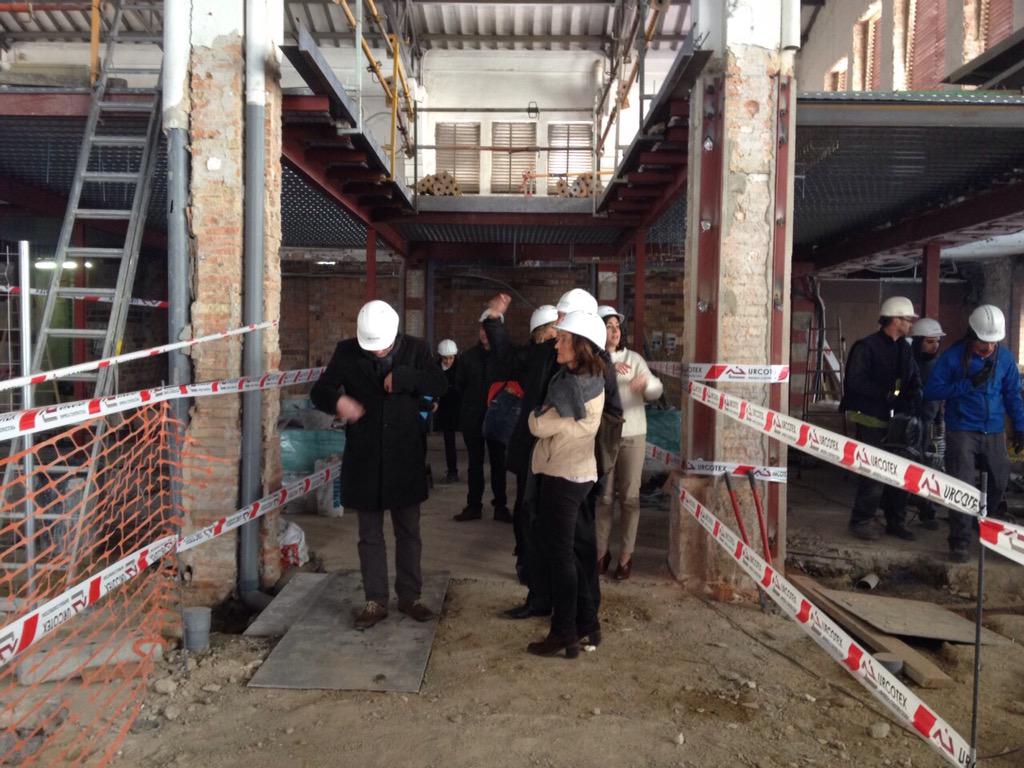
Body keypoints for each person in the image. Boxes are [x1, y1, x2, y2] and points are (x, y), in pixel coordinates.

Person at [310, 300, 448, 630]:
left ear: (394, 334)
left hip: (405, 454)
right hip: (365, 455)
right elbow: (321, 391)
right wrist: (338, 401)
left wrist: (403, 378)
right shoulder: (347, 352)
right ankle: (375, 600)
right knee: (369, 534)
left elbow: (440, 385)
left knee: (408, 531)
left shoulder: (417, 350)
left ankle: (410, 596)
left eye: (381, 346)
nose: (375, 352)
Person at [526, 310, 606, 659]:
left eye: (562, 338)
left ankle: (564, 633)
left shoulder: (572, 385)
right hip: (578, 472)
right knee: (571, 553)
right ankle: (588, 623)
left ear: (580, 345)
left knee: (560, 557)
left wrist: (538, 414)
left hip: (563, 476)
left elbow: (537, 425)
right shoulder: (589, 377)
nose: (555, 342)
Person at [923, 305, 1024, 563]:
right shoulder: (953, 358)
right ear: (971, 336)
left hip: (993, 431)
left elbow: (1013, 395)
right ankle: (959, 541)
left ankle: (982, 523)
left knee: (1000, 480)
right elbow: (932, 390)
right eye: (982, 343)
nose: (988, 348)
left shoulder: (1005, 360)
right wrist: (969, 384)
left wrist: (1021, 427)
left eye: (993, 343)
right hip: (962, 430)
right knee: (962, 486)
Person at [839, 296, 922, 542]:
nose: (911, 324)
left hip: (896, 420)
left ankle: (895, 521)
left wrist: (914, 393)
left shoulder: (904, 348)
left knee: (900, 471)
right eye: (907, 319)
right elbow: (855, 382)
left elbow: (912, 377)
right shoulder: (866, 347)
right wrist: (886, 397)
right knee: (874, 472)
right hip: (870, 418)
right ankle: (861, 520)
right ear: (894, 319)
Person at [595, 306, 663, 580]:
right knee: (604, 498)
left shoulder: (633, 358)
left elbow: (656, 390)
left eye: (617, 326)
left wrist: (644, 384)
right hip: (604, 435)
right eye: (609, 325)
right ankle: (600, 554)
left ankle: (625, 555)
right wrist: (609, 368)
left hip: (633, 434)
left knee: (630, 499)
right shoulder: (594, 360)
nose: (615, 330)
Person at [453, 315, 513, 523]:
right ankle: (473, 506)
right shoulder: (468, 357)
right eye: (482, 328)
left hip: (498, 418)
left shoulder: (506, 358)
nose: (484, 333)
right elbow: (458, 386)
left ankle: (500, 506)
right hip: (473, 417)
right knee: (475, 463)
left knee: (498, 463)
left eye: (489, 329)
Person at [909, 318, 946, 530]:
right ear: (918, 341)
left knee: (930, 466)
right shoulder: (907, 360)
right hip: (906, 423)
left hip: (929, 422)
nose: (935, 346)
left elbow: (942, 397)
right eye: (930, 341)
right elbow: (895, 388)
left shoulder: (940, 364)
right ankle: (896, 509)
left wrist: (940, 419)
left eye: (937, 341)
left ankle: (927, 511)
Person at [435, 339, 462, 483]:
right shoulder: (435, 368)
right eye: (445, 358)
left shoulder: (460, 368)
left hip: (457, 406)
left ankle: (454, 471)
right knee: (448, 440)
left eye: (451, 358)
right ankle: (452, 471)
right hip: (442, 408)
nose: (448, 361)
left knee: (455, 440)